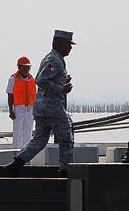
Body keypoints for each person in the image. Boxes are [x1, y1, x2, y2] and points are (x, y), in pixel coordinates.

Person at [5, 30, 76, 176]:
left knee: (39, 140)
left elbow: (43, 78)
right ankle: (66, 171)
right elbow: (41, 80)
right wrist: (61, 89)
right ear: (60, 44)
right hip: (52, 107)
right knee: (66, 138)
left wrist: (62, 81)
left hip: (42, 108)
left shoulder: (53, 58)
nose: (70, 48)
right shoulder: (54, 60)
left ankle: (16, 164)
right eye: (68, 45)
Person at [7, 56, 36, 149]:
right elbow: (10, 95)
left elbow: (35, 96)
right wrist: (11, 111)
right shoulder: (13, 79)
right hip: (18, 108)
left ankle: (26, 152)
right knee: (17, 132)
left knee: (28, 132)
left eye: (28, 66)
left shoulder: (32, 79)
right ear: (19, 67)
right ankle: (16, 152)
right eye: (24, 66)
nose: (26, 68)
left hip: (30, 109)